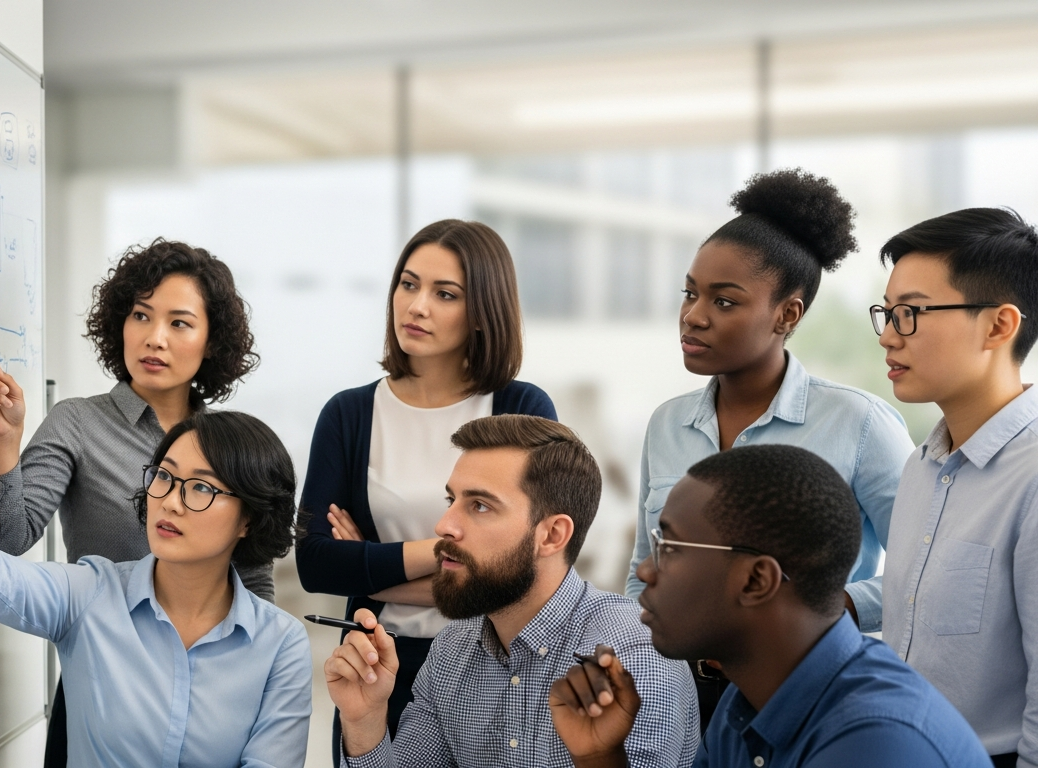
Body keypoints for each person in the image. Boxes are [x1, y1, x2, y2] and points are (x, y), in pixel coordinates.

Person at [0, 239, 271, 765]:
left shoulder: (232, 444)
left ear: (212, 342)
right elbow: (5, 541)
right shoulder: (77, 422)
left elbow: (254, 580)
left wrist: (251, 679)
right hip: (96, 685)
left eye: (180, 323)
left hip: (208, 687)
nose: (154, 338)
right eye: (141, 315)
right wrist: (5, 442)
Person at [624, 168, 914, 727]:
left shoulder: (858, 422)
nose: (693, 315)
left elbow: (922, 568)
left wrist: (837, 607)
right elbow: (645, 566)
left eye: (725, 301)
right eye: (690, 292)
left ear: (788, 314)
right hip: (681, 696)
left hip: (806, 691)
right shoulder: (667, 424)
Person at [0, 400, 312, 767]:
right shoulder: (92, 592)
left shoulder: (281, 644)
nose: (171, 502)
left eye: (200, 488)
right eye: (164, 476)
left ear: (249, 519)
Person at [556, 444, 990, 767]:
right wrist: (601, 756)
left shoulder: (877, 742)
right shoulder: (746, 699)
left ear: (756, 580)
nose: (646, 571)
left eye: (668, 547)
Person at [296, 220, 557, 746]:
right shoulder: (350, 414)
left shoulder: (522, 409)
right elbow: (316, 564)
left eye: (445, 294)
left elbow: (534, 568)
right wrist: (457, 563)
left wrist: (371, 571)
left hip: (496, 664)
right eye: (408, 284)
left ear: (483, 310)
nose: (416, 306)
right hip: (379, 663)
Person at [325, 415, 697, 768]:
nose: (444, 526)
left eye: (480, 505)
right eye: (450, 501)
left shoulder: (635, 657)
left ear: (552, 535)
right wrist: (366, 721)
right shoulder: (450, 652)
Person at [874, 208, 1038, 768]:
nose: (888, 337)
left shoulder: (1033, 475)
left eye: (911, 314)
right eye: (888, 314)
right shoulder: (919, 467)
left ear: (999, 325)